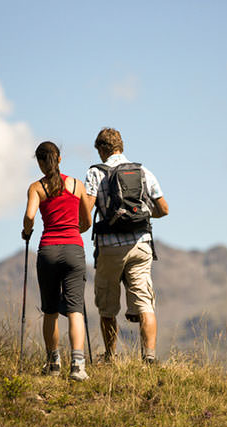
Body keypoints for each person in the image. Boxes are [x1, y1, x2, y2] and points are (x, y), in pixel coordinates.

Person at [84, 128, 169, 364]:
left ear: (101, 149)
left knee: (107, 306)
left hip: (109, 246)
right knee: (144, 302)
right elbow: (164, 209)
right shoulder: (143, 171)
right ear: (121, 146)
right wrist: (139, 215)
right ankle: (149, 357)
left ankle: (111, 357)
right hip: (140, 244)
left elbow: (87, 212)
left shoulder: (94, 173)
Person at [22, 141, 92, 381]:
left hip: (48, 250)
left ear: (41, 163)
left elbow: (30, 216)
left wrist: (26, 230)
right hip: (74, 248)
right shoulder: (76, 185)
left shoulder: (36, 188)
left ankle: (53, 364)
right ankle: (78, 366)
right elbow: (87, 222)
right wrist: (74, 230)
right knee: (75, 309)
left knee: (50, 310)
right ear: (59, 159)